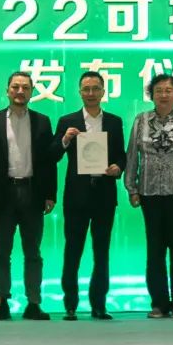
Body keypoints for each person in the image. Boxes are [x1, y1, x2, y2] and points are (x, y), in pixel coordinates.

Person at [0, 71, 57, 320]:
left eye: (25, 87)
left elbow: (48, 162)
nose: (20, 91)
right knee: (2, 252)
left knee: (33, 253)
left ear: (32, 91)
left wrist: (51, 194)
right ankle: (2, 303)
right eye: (15, 87)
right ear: (7, 90)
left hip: (33, 193)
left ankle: (34, 303)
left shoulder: (43, 121)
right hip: (2, 194)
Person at [125, 74, 173, 318]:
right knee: (155, 250)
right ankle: (158, 303)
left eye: (168, 90)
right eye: (158, 90)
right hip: (149, 193)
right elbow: (132, 155)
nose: (163, 94)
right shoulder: (141, 120)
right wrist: (132, 187)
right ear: (151, 94)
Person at [51, 71, 126, 321]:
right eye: (86, 89)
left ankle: (99, 305)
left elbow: (121, 155)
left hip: (104, 195)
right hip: (77, 197)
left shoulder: (114, 121)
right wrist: (64, 139)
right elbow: (52, 155)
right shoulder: (67, 120)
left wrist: (118, 168)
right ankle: (70, 304)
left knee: (101, 252)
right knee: (73, 250)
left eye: (96, 88)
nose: (91, 93)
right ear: (80, 92)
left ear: (103, 91)